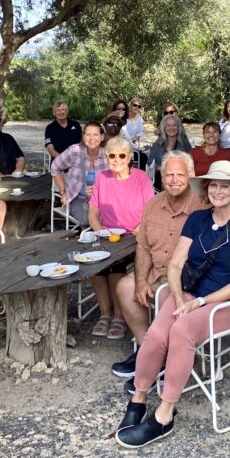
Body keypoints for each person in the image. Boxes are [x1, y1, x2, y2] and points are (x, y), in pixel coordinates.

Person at [114, 161, 230, 448]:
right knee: (157, 333)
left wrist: (199, 303)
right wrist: (180, 297)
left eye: (224, 185)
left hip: (229, 303)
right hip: (190, 295)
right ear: (207, 189)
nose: (218, 190)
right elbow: (175, 263)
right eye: (213, 185)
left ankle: (165, 415)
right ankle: (139, 399)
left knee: (181, 331)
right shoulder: (197, 219)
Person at [112, 152, 205, 389]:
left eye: (180, 174)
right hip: (156, 273)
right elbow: (143, 247)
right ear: (161, 177)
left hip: (184, 280)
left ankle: (162, 360)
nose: (174, 180)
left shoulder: (203, 206)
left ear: (191, 175)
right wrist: (142, 281)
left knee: (166, 297)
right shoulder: (153, 204)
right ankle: (147, 350)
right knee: (125, 286)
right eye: (169, 174)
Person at [88, 135, 155, 340]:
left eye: (121, 155)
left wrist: (136, 230)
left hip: (135, 235)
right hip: (108, 235)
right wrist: (100, 231)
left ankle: (119, 316)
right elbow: (93, 214)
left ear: (129, 158)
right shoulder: (102, 178)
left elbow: (150, 212)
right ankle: (105, 314)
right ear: (106, 157)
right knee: (96, 265)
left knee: (115, 265)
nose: (116, 159)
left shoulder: (141, 177)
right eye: (111, 156)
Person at [50, 121, 108, 229]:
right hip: (78, 198)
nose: (91, 138)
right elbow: (55, 167)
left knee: (110, 216)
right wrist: (63, 191)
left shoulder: (108, 155)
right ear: (83, 136)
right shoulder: (74, 151)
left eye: (95, 134)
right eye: (88, 134)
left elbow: (118, 179)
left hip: (102, 200)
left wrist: (99, 190)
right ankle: (91, 241)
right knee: (89, 219)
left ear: (102, 137)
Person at [147, 113, 192, 189]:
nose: (171, 128)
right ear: (164, 128)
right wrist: (160, 167)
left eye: (174, 125)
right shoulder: (157, 144)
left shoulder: (184, 143)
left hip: (180, 179)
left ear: (178, 127)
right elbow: (149, 164)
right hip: (160, 179)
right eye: (168, 125)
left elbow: (191, 162)